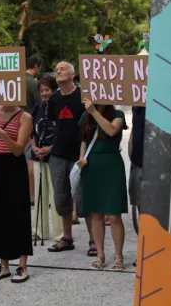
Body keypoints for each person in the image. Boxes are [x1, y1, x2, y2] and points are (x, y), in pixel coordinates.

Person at [46, 62, 95, 255]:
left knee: (84, 199)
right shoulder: (54, 99)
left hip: (79, 156)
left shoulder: (83, 96)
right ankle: (67, 238)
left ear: (72, 74)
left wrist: (84, 154)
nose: (58, 71)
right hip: (58, 155)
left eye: (63, 69)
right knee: (61, 198)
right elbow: (53, 123)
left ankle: (93, 239)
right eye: (56, 69)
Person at [0, 104, 34, 283]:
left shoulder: (24, 116)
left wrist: (2, 133)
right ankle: (4, 265)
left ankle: (22, 265)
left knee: (18, 212)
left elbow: (19, 149)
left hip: (15, 165)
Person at [77, 101, 128, 270]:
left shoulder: (118, 115)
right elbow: (84, 139)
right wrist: (82, 157)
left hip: (111, 163)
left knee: (114, 215)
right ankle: (100, 254)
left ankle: (118, 256)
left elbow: (112, 130)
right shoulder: (86, 116)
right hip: (92, 166)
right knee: (96, 213)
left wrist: (94, 112)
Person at [31, 75, 63, 244]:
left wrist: (50, 149)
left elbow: (63, 132)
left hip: (55, 156)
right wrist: (35, 146)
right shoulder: (38, 107)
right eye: (42, 90)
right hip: (38, 156)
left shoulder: (60, 107)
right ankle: (39, 231)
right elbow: (31, 131)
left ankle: (60, 234)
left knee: (55, 195)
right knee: (40, 194)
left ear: (54, 90)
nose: (44, 93)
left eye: (47, 90)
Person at [24, 56, 42, 204]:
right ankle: (32, 195)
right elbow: (40, 103)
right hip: (28, 124)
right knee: (30, 161)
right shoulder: (33, 82)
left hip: (13, 124)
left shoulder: (16, 79)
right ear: (36, 67)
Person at [128, 104, 146, 222]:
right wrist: (130, 142)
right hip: (137, 159)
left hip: (154, 160)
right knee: (139, 201)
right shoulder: (137, 101)